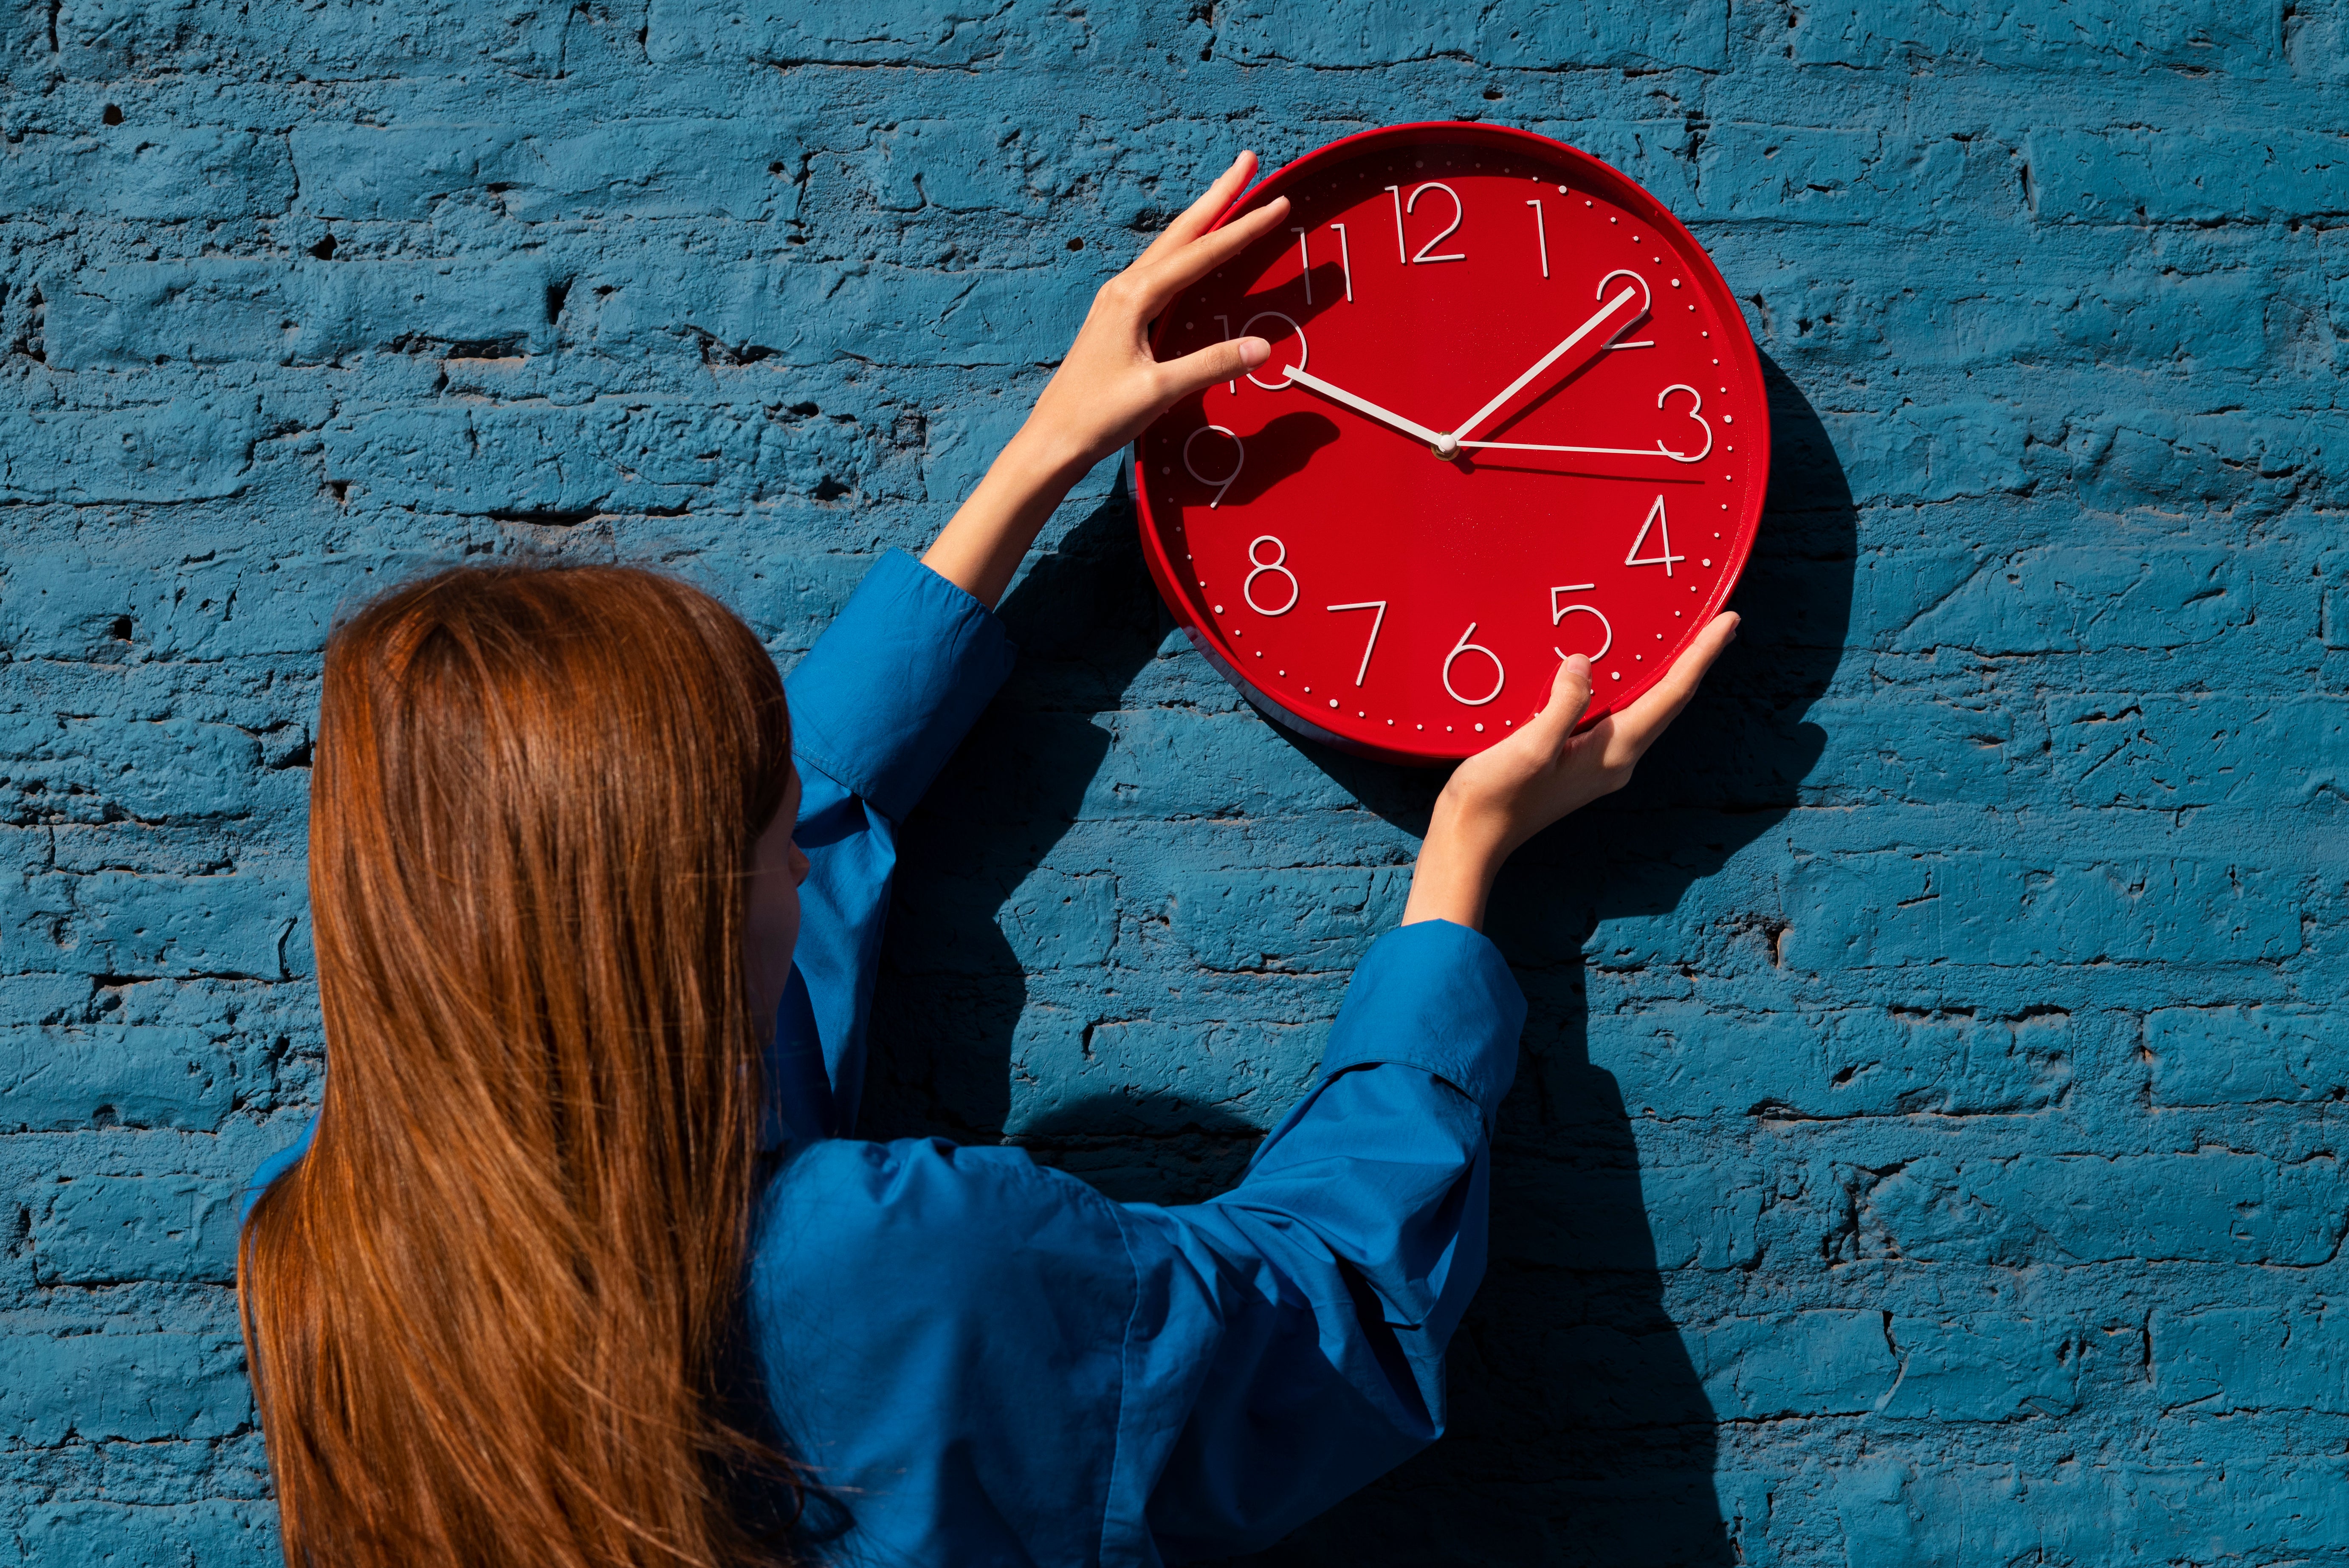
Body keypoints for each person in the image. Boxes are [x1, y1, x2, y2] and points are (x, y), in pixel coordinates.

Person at [237, 151, 1737, 1568]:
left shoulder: (327, 1261)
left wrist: (1042, 457)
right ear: (679, 904)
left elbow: (806, 807)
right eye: (758, 845)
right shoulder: (906, 1257)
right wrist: (1460, 867)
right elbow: (1329, 1309)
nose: (800, 861)